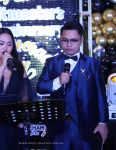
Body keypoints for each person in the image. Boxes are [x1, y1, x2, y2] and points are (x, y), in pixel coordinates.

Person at [37, 21, 109, 150]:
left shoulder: (93, 64)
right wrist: (57, 81)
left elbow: (101, 96)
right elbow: (40, 87)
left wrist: (103, 122)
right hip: (58, 126)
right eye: (65, 40)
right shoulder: (51, 62)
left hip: (85, 126)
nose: (69, 45)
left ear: (81, 41)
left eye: (74, 41)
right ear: (60, 40)